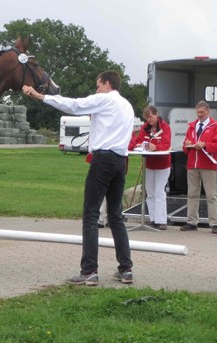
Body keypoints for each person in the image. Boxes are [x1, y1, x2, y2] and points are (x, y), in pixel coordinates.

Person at [22, 70, 134, 286]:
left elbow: (74, 105)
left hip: (103, 159)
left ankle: (89, 270)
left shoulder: (104, 100)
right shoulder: (127, 106)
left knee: (91, 214)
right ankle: (126, 268)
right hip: (121, 161)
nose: (96, 89)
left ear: (107, 84)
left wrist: (40, 96)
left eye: (98, 85)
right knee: (116, 215)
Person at [181, 101, 217, 234]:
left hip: (208, 165)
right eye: (198, 112)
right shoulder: (192, 126)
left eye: (202, 113)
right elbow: (185, 146)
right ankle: (192, 221)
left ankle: (214, 223)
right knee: (192, 194)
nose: (200, 115)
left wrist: (205, 144)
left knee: (211, 195)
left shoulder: (215, 126)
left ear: (208, 111)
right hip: (193, 164)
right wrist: (187, 145)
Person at [128, 105, 171, 230]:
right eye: (147, 118)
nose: (149, 120)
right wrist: (139, 145)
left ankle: (162, 220)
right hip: (149, 164)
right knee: (150, 193)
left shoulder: (165, 128)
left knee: (159, 192)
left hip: (162, 165)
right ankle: (153, 219)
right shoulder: (144, 128)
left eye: (151, 117)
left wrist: (155, 147)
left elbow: (166, 144)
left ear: (156, 114)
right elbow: (138, 141)